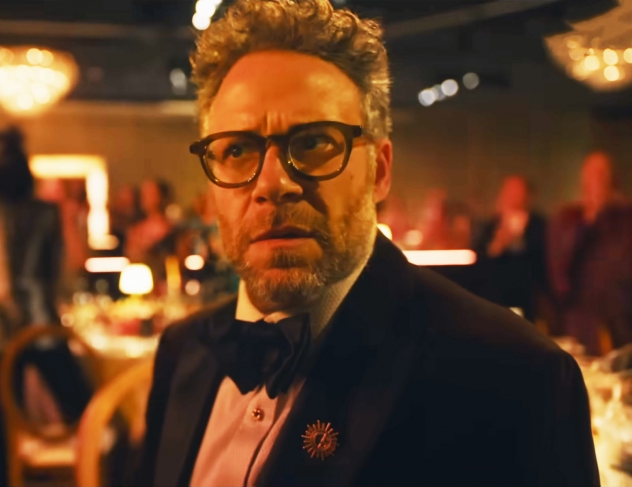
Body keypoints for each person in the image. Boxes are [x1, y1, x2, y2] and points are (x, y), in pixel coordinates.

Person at [136, 1, 598, 486]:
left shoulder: (517, 379)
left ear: (379, 171)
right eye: (236, 149)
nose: (272, 183)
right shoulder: (181, 350)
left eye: (314, 143)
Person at [548, 151, 632, 356]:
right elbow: (558, 265)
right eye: (591, 174)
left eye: (602, 173)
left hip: (621, 315)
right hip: (579, 316)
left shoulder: (626, 216)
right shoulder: (568, 218)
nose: (596, 180)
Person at [473, 175, 548, 323]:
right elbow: (479, 258)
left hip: (529, 296)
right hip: (497, 297)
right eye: (509, 192)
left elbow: (544, 260)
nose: (512, 198)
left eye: (517, 192)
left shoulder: (539, 226)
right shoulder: (491, 226)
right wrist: (497, 245)